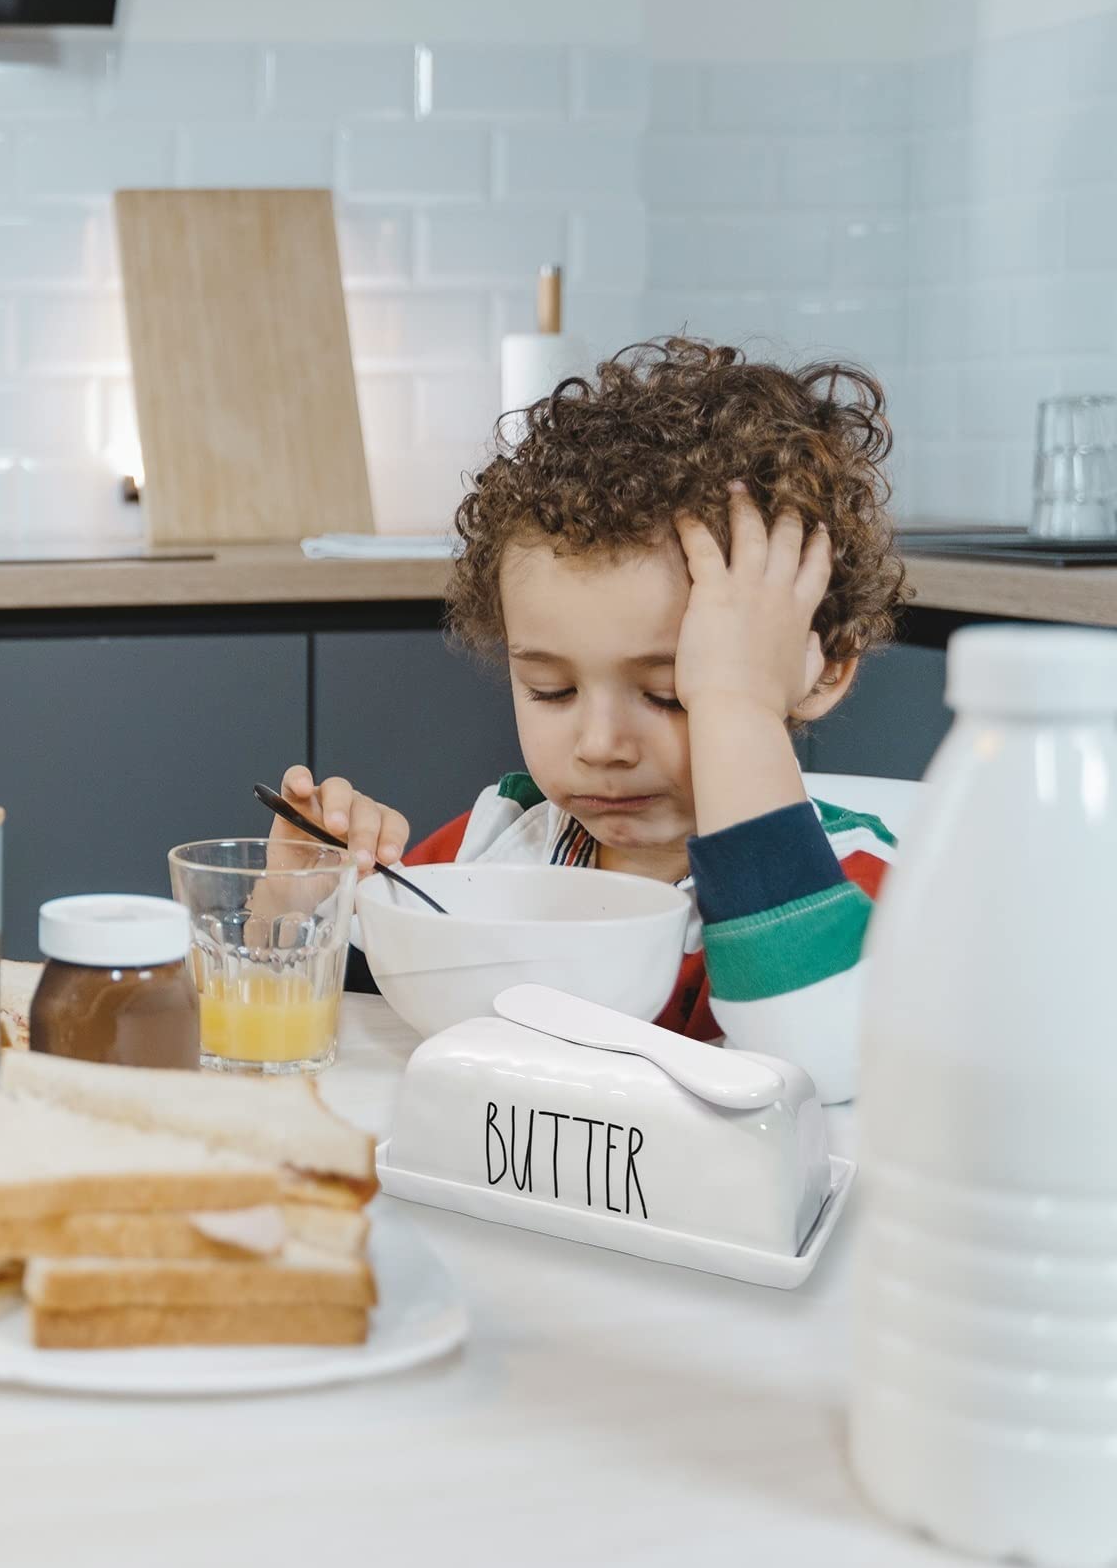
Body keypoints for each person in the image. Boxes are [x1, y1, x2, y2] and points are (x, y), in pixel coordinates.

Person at [274, 337, 906, 1072]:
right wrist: (303, 900)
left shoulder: (853, 877)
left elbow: (814, 1048)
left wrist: (736, 706)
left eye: (675, 693)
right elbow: (339, 1013)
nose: (601, 744)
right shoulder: (497, 844)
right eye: (553, 691)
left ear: (821, 669)